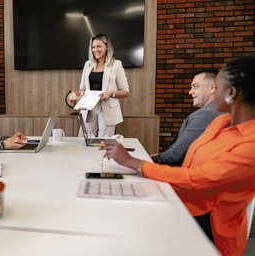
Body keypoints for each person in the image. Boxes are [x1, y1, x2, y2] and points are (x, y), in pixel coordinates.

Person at [102, 56, 255, 256]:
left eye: (216, 87)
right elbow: (189, 167)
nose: (212, 91)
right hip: (183, 203)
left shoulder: (250, 144)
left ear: (231, 93)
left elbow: (197, 179)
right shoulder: (222, 122)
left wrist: (135, 163)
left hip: (209, 227)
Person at [151, 70, 223, 166]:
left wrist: (151, 159)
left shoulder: (205, 114)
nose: (190, 92)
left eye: (195, 86)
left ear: (212, 87)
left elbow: (175, 156)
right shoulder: (221, 110)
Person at [78, 34, 129, 138]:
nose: (95, 49)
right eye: (93, 47)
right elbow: (82, 88)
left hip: (107, 108)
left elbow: (125, 92)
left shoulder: (116, 65)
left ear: (107, 47)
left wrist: (110, 93)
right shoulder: (88, 65)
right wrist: (82, 92)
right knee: (83, 141)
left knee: (104, 143)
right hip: (89, 108)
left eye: (99, 46)